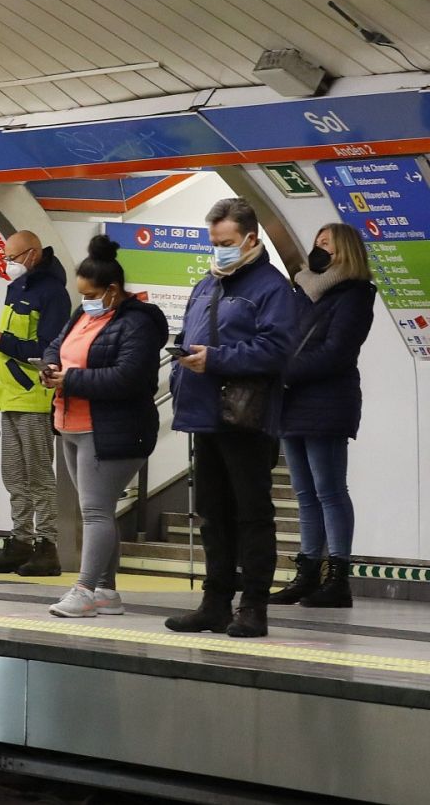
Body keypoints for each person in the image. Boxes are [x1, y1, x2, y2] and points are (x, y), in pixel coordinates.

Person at [165, 198, 297, 638]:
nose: (218, 250)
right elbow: (190, 332)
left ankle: (253, 606)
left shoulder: (271, 288)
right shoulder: (208, 284)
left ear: (250, 239)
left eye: (226, 242)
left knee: (252, 513)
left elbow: (277, 349)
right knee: (212, 514)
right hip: (204, 414)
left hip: (246, 415)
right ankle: (215, 603)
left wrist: (217, 358)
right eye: (214, 242)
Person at [41, 236, 168, 618]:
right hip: (71, 424)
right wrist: (50, 366)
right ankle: (106, 592)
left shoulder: (138, 323)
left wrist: (70, 379)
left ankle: (84, 590)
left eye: (92, 295)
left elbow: (128, 377)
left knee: (95, 511)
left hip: (112, 429)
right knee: (99, 511)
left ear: (112, 290)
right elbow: (57, 344)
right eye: (82, 295)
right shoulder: (82, 314)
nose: (86, 301)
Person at [269, 223, 374, 609]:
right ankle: (308, 572)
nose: (318, 248)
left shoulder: (356, 294)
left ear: (345, 250)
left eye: (326, 243)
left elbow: (337, 352)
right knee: (304, 493)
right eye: (316, 242)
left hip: (328, 401)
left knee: (329, 490)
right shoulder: (301, 290)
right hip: (293, 401)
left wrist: (282, 372)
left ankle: (338, 578)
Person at [0, 231, 70, 576]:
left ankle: (47, 545)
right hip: (10, 395)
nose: (7, 264)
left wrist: (2, 341)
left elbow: (47, 349)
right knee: (14, 475)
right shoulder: (17, 288)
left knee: (39, 475)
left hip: (34, 396)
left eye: (11, 258)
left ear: (33, 254)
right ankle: (20, 541)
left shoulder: (53, 293)